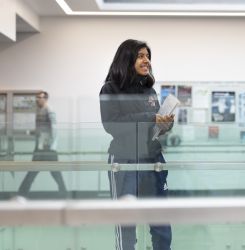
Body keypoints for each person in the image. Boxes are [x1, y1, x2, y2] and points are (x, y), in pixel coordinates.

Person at [99, 39, 175, 250]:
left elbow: (153, 124)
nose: (147, 61)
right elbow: (112, 125)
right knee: (126, 222)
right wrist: (150, 117)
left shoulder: (149, 90)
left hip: (153, 159)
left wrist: (165, 123)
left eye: (148, 56)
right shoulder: (110, 89)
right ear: (127, 58)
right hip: (125, 161)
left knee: (161, 220)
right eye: (141, 56)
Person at [18, 91, 67, 197]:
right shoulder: (39, 111)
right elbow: (40, 129)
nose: (37, 99)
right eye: (36, 98)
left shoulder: (49, 110)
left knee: (55, 173)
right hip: (40, 146)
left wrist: (52, 146)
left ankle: (64, 194)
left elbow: (54, 129)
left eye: (39, 98)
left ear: (45, 99)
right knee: (33, 171)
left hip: (48, 148)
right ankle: (21, 193)